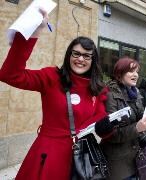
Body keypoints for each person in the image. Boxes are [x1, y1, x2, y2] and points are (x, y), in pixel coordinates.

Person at [0, 10, 110, 179]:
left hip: (81, 160)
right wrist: (33, 32)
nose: (81, 59)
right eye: (76, 53)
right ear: (69, 55)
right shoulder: (52, 77)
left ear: (93, 61)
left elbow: (100, 122)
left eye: (87, 56)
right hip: (48, 156)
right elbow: (10, 75)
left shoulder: (97, 89)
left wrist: (108, 126)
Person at [97, 57, 146, 180]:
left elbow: (144, 120)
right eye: (131, 71)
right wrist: (136, 128)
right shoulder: (110, 95)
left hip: (137, 159)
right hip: (119, 164)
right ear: (120, 73)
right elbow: (110, 134)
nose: (135, 75)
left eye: (137, 72)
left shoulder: (136, 93)